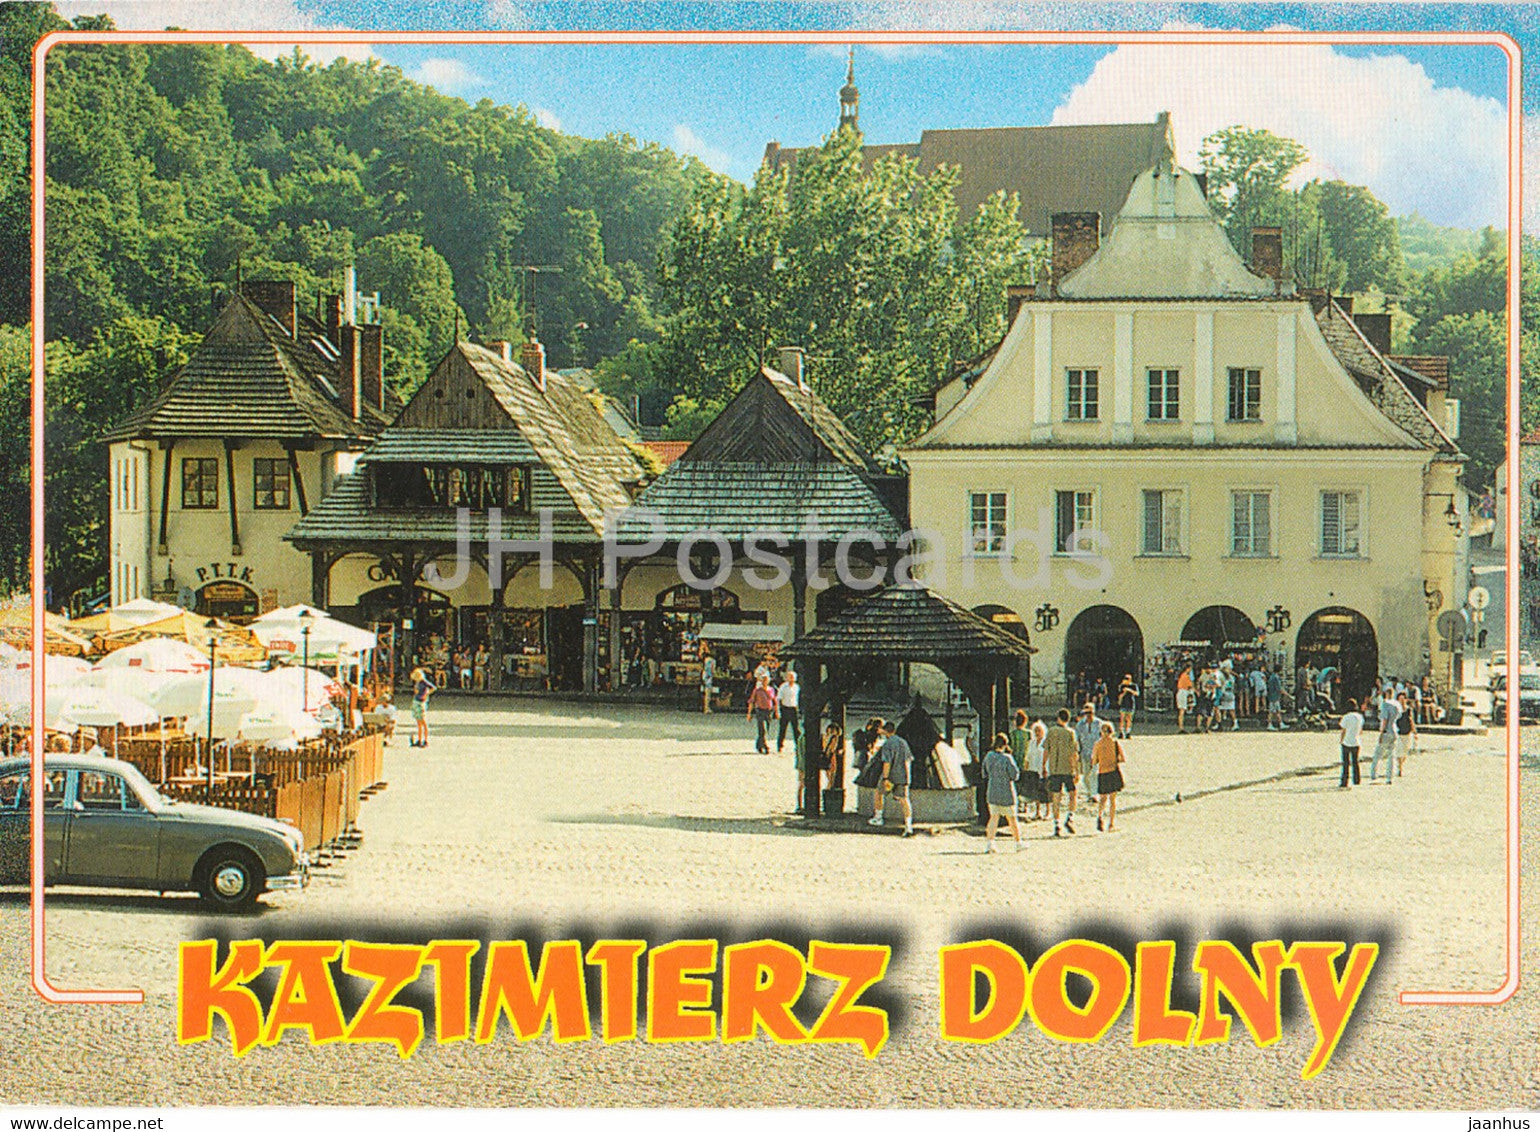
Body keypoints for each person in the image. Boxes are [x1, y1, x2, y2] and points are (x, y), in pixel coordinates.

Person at [868, 720, 914, 836]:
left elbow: (887, 762)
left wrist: (885, 778)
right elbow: (908, 759)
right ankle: (908, 826)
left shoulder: (888, 744)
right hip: (903, 775)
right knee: (904, 800)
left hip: (891, 776)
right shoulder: (903, 742)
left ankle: (878, 817)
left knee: (879, 793)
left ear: (884, 731)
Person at [982, 733, 1022, 852]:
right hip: (1006, 793)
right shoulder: (1007, 758)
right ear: (1005, 745)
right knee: (1012, 819)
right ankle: (1018, 843)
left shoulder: (988, 756)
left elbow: (984, 772)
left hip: (992, 791)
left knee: (993, 818)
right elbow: (1015, 775)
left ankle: (990, 843)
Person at [1043, 709, 1080, 836]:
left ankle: (1057, 823)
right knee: (1073, 793)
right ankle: (1070, 816)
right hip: (1067, 768)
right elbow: (1074, 753)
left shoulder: (1051, 731)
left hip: (1054, 768)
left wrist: (1044, 765)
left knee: (1056, 796)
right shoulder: (1071, 733)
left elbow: (1046, 750)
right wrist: (1076, 770)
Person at [1093, 721, 1126, 832]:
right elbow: (1122, 758)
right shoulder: (1115, 743)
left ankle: (1100, 816)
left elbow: (1094, 761)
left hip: (1103, 772)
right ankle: (1111, 823)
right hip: (1112, 772)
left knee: (1103, 798)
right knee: (1112, 799)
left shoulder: (1098, 744)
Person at [1073, 701, 1104, 807]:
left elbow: (1102, 738)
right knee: (1086, 775)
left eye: (1090, 713)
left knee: (1094, 774)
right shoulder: (1080, 725)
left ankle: (1094, 794)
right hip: (1085, 753)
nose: (1088, 715)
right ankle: (1090, 792)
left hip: (1096, 753)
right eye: (1086, 713)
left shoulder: (1099, 724)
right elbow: (1077, 739)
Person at [1369, 688, 1401, 785]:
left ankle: (1374, 774)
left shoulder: (1385, 704)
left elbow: (1384, 719)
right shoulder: (1397, 704)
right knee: (1392, 755)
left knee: (1377, 754)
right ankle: (1389, 776)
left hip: (1387, 730)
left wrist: (1381, 732)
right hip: (1395, 730)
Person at [746, 673, 777, 754]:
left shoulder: (771, 690)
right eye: (763, 680)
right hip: (760, 710)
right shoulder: (757, 690)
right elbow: (751, 702)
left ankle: (759, 745)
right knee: (763, 729)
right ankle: (765, 746)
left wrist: (777, 712)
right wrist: (749, 714)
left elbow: (774, 701)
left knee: (766, 729)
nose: (765, 681)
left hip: (769, 711)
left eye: (766, 680)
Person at [1025, 719, 1049, 820]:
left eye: (1039, 730)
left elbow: (1048, 756)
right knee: (1036, 791)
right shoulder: (1031, 742)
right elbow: (1028, 756)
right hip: (1033, 768)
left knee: (1045, 790)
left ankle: (1047, 811)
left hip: (1043, 768)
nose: (1037, 733)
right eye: (1036, 730)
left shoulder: (1046, 742)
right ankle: (1037, 811)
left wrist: (1046, 768)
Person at [1338, 696, 1364, 789]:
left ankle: (1344, 781)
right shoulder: (1360, 717)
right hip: (1356, 741)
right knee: (1355, 762)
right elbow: (1360, 730)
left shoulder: (1346, 717)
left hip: (1347, 741)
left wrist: (1341, 740)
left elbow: (1343, 730)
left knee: (1345, 763)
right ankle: (1357, 779)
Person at [1007, 709, 1030, 813]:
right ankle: (1025, 805)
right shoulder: (1028, 734)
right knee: (1025, 782)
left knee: (1016, 782)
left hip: (1015, 760)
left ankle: (1017, 803)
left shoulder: (1012, 734)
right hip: (1025, 760)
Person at [409, 666, 436, 748]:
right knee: (418, 722)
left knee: (423, 722)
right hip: (416, 701)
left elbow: (433, 688)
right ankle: (419, 739)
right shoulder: (417, 682)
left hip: (421, 701)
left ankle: (425, 740)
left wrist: (427, 693)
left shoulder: (423, 682)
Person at [776, 669, 801, 753]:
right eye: (790, 677)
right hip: (785, 708)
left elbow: (798, 698)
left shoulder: (797, 687)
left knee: (796, 729)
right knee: (783, 728)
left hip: (793, 708)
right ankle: (780, 745)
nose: (791, 679)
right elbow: (778, 698)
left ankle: (798, 745)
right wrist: (778, 710)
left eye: (793, 677)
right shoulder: (783, 687)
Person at [1394, 690, 1417, 776]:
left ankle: (1401, 764)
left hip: (1407, 732)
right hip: (1398, 732)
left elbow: (1411, 720)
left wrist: (1414, 731)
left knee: (1405, 751)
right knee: (1399, 750)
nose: (1402, 701)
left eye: (1403, 699)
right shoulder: (1396, 709)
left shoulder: (1408, 710)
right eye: (1400, 699)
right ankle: (1399, 767)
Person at [1117, 674, 1138, 739]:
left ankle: (1128, 732)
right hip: (1123, 703)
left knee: (1129, 719)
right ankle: (1121, 732)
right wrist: (1124, 692)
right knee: (1122, 718)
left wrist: (1129, 690)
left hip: (1131, 703)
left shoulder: (1134, 686)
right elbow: (1119, 696)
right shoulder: (1121, 686)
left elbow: (1137, 693)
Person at [1176, 664, 1195, 733]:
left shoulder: (1182, 675)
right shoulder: (1186, 676)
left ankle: (1181, 727)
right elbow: (1190, 686)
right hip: (1183, 692)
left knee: (1181, 710)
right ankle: (1181, 727)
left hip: (1181, 691)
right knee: (1182, 710)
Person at [1266, 666, 1286, 731]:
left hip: (1272, 695)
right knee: (1271, 711)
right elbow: (1278, 688)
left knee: (1277, 711)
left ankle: (1281, 723)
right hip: (1274, 696)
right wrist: (1286, 694)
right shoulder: (1276, 678)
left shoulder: (1271, 677)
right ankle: (1269, 724)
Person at [700, 646, 717, 714]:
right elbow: (712, 670)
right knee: (708, 693)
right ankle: (707, 707)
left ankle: (705, 707)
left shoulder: (706, 659)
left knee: (705, 692)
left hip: (704, 676)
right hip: (709, 677)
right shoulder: (713, 661)